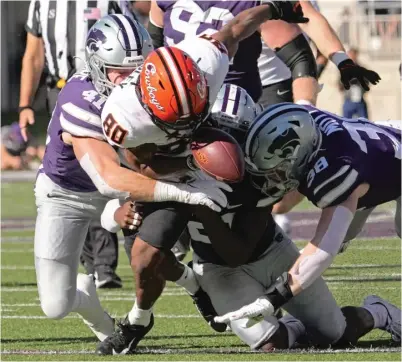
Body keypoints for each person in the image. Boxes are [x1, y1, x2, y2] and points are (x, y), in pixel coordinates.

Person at [92, 2, 311, 355]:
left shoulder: (207, 58)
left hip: (219, 132)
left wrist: (272, 7)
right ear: (148, 107)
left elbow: (237, 27)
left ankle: (268, 265)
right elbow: (139, 164)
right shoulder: (123, 118)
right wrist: (188, 178)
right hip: (172, 165)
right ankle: (139, 319)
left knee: (259, 192)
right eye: (175, 118)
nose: (184, 122)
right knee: (144, 256)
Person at [217, 102, 401, 329]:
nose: (274, 177)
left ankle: (392, 317)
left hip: (385, 160)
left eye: (278, 170)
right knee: (344, 229)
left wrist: (273, 298)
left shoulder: (337, 172)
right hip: (381, 148)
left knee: (336, 236)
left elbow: (322, 252)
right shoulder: (305, 121)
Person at [33, 14, 154, 342]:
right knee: (55, 306)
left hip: (116, 183)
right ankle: (95, 311)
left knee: (169, 234)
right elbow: (106, 176)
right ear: (99, 67)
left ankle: (205, 292)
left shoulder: (149, 91)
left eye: (138, 71)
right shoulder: (79, 96)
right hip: (67, 194)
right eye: (122, 72)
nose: (131, 80)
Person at [20, 0, 137, 288]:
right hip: (60, 91)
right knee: (71, 178)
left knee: (103, 172)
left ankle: (105, 264)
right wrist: (25, 103)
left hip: (104, 91)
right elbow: (33, 55)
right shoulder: (40, 4)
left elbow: (134, 41)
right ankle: (88, 263)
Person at [340, 47, 369, 119]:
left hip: (359, 100)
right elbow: (340, 84)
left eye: (353, 54)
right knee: (346, 122)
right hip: (348, 99)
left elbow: (367, 84)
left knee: (364, 123)